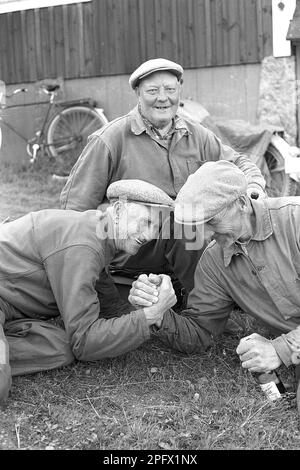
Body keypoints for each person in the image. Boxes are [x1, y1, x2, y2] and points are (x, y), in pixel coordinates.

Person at [60, 57, 266, 296]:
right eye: (152, 90)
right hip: (131, 250)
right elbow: (73, 211)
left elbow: (238, 163)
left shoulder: (196, 135)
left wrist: (254, 186)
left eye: (170, 89)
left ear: (179, 92)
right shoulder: (110, 139)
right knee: (184, 222)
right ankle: (205, 304)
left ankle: (228, 291)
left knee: (223, 219)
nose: (163, 98)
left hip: (187, 247)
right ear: (138, 93)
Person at [128, 160, 300, 413]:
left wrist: (280, 348)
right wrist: (157, 310)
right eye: (199, 226)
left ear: (242, 203)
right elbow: (200, 332)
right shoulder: (214, 259)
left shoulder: (295, 220)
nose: (206, 235)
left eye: (212, 222)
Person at [0, 179, 176, 403]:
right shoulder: (84, 245)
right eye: (146, 222)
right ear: (119, 210)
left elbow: (109, 306)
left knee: (61, 348)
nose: (150, 235)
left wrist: (143, 303)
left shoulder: (98, 231)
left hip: (9, 303)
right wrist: (151, 315)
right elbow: (84, 342)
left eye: (157, 227)